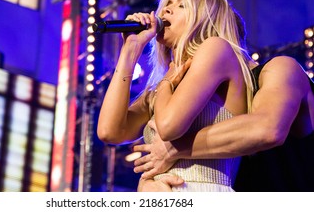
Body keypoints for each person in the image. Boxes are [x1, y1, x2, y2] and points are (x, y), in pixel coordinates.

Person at [97, 0, 256, 191]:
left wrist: (165, 84)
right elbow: (110, 132)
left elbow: (169, 126)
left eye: (181, 5)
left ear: (205, 19)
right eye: (167, 4)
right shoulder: (165, 85)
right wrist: (130, 51)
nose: (166, 9)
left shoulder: (217, 49)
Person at [134, 55, 314, 191]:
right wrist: (148, 183)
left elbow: (268, 129)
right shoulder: (197, 98)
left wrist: (175, 148)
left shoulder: (280, 68)